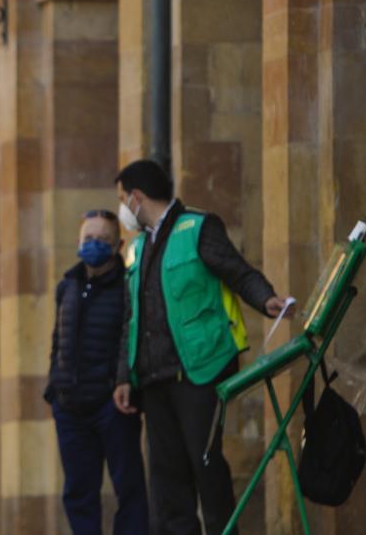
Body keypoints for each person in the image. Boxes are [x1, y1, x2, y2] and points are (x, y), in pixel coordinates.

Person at [113, 159, 294, 534]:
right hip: (154, 377)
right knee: (166, 478)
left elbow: (237, 270)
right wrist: (124, 376)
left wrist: (267, 300)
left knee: (206, 464)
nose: (122, 209)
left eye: (121, 199)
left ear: (136, 197)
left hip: (199, 370)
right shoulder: (138, 247)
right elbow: (132, 319)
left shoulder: (196, 227)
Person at [47, 210, 149, 535]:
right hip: (70, 407)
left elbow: (128, 336)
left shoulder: (127, 286)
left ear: (118, 245)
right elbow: (57, 339)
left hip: (112, 406)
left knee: (129, 489)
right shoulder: (68, 285)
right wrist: (55, 388)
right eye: (88, 239)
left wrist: (121, 381)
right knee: (78, 493)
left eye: (102, 240)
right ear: (78, 242)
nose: (94, 245)